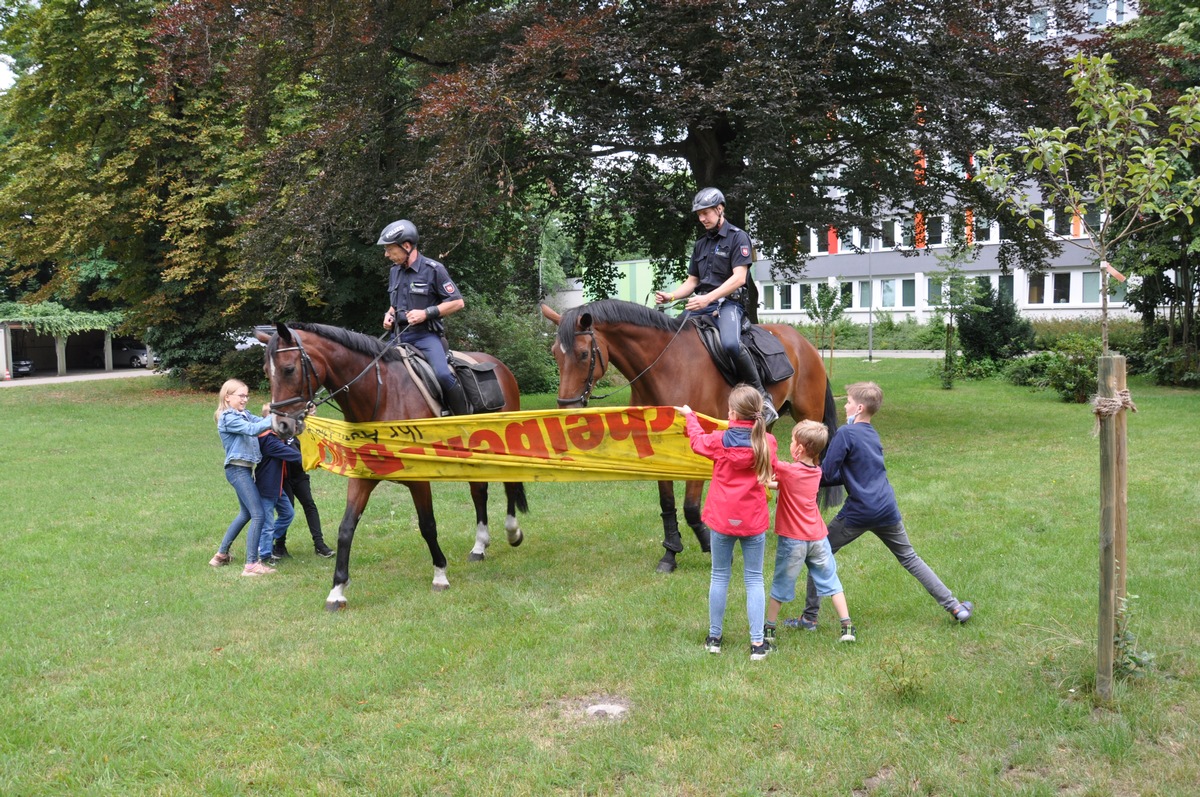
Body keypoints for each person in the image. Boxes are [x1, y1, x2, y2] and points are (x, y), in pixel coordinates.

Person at [796, 381, 973, 628]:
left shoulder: (846, 433)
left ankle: (809, 618)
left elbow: (826, 475)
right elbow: (849, 474)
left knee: (818, 554)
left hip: (859, 512)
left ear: (858, 408)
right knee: (910, 558)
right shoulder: (872, 434)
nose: (844, 406)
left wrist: (800, 472)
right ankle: (955, 606)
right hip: (887, 508)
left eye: (846, 402)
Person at [656, 187, 777, 425]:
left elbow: (739, 278)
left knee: (731, 343)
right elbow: (692, 281)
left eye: (706, 213)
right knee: (673, 340)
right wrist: (671, 296)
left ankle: (763, 398)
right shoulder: (701, 244)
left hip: (729, 305)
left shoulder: (738, 237)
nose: (702, 218)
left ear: (720, 209)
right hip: (700, 303)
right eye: (699, 214)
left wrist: (708, 298)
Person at [680, 384, 778, 660]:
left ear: (732, 414)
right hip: (753, 520)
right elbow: (772, 470)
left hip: (722, 520)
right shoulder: (767, 442)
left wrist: (690, 416)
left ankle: (715, 638)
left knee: (719, 576)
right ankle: (758, 645)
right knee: (754, 579)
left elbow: (696, 440)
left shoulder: (717, 440)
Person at [764, 420, 856, 646]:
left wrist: (769, 439)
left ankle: (768, 629)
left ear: (800, 449)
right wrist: (770, 484)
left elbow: (771, 462)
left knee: (781, 584)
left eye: (792, 440)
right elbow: (788, 485)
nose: (790, 443)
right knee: (831, 582)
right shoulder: (816, 472)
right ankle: (847, 627)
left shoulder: (787, 470)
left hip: (793, 541)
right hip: (818, 538)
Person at [379, 218, 470, 416]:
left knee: (443, 375)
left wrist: (426, 313)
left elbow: (457, 302)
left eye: (390, 250)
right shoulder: (395, 271)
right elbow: (396, 303)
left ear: (407, 246)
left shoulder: (433, 270)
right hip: (398, 337)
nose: (387, 255)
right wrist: (389, 314)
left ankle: (464, 419)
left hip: (426, 337)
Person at [209, 379, 276, 576]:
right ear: (227, 397)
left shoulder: (243, 414)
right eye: (241, 395)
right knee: (258, 514)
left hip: (244, 470)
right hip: (237, 471)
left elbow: (260, 423)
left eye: (247, 395)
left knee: (246, 514)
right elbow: (253, 429)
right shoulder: (228, 417)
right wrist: (273, 418)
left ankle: (220, 555)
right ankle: (251, 565)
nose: (245, 399)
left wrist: (278, 414)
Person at [273, 434, 334, 559]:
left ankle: (319, 545)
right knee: (287, 510)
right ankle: (279, 546)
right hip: (283, 479)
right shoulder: (275, 434)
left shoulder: (299, 434)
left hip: (299, 476)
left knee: (310, 505)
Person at [254, 421, 302, 566]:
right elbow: (295, 456)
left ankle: (263, 542)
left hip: (276, 486)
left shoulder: (275, 439)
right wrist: (314, 459)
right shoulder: (270, 442)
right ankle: (264, 556)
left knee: (288, 514)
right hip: (267, 488)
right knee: (267, 525)